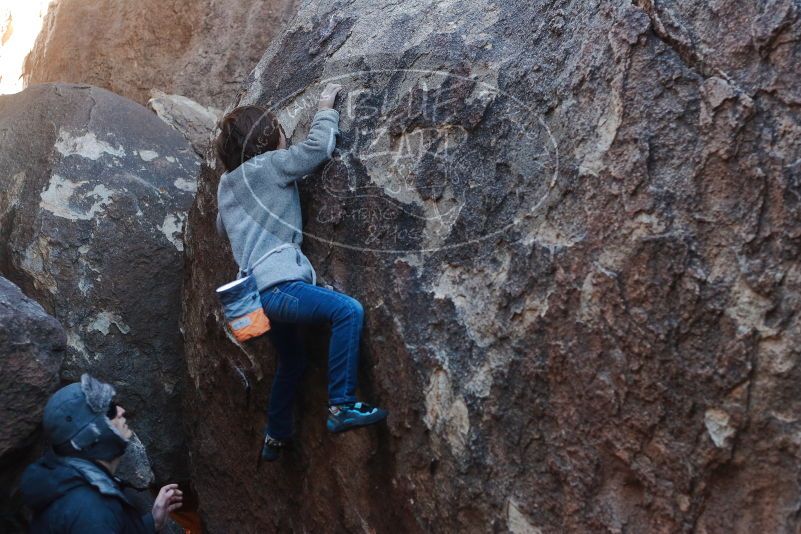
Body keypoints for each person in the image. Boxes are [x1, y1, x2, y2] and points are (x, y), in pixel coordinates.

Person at [214, 83, 387, 462]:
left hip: (253, 303)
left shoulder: (226, 186)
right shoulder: (270, 166)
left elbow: (220, 229)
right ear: (266, 137)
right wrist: (326, 107)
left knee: (292, 361)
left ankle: (276, 436)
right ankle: (341, 405)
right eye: (276, 129)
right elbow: (315, 151)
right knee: (347, 311)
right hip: (279, 288)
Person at [20, 374, 183, 533]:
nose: (121, 410)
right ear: (90, 436)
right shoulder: (91, 511)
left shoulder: (75, 489)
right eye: (110, 410)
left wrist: (152, 523)